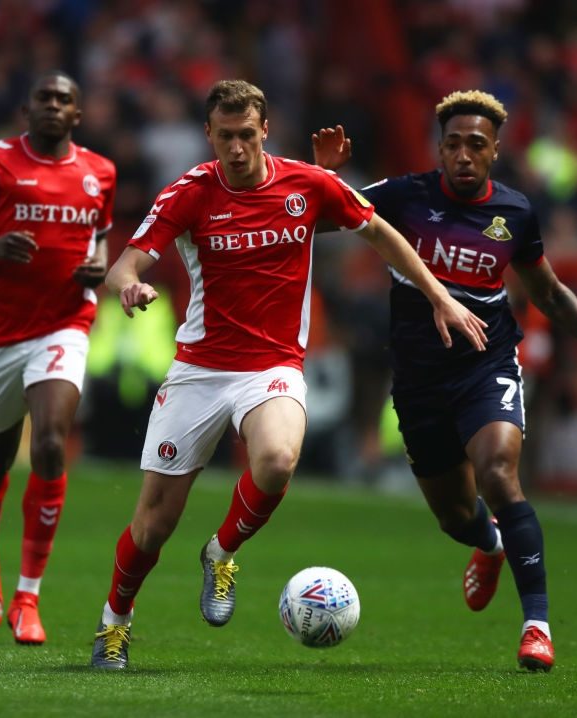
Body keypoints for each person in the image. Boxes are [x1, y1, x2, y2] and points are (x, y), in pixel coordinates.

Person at [89, 79, 489, 670]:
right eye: (225, 136)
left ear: (265, 130)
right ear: (208, 134)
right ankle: (114, 625)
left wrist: (439, 296)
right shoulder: (189, 192)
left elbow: (381, 233)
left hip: (272, 366)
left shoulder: (307, 183)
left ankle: (221, 552)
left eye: (246, 135)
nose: (236, 148)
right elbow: (123, 265)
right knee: (152, 527)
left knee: (277, 460)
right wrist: (131, 286)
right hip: (200, 369)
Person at [311, 90, 577, 672]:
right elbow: (316, 217)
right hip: (420, 380)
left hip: (487, 365)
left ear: (495, 151)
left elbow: (548, 292)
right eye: (453, 144)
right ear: (440, 149)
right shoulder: (404, 196)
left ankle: (537, 627)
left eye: (475, 144)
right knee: (456, 516)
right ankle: (491, 543)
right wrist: (325, 177)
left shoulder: (515, 212)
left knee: (500, 475)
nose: (463, 154)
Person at [0, 71, 116, 645]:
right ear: (27, 109)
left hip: (65, 324)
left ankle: (27, 597)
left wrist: (98, 266)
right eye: (45, 98)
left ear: (77, 114)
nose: (54, 106)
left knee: (51, 443)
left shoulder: (100, 172)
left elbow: (101, 236)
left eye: (65, 99)